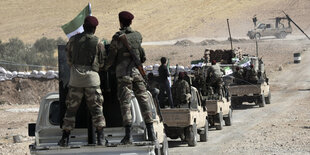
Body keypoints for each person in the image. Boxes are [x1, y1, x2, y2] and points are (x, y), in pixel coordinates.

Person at [103, 11, 155, 144]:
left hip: (124, 75)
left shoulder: (117, 38)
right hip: (137, 73)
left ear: (120, 22)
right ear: (131, 22)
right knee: (144, 101)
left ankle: (128, 135)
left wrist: (104, 67)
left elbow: (111, 58)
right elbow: (141, 56)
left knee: (125, 103)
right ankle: (151, 133)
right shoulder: (138, 36)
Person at [58, 16, 106, 146]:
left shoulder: (73, 40)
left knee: (71, 109)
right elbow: (102, 63)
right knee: (96, 109)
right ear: (94, 29)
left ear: (84, 27)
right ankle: (101, 138)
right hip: (92, 79)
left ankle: (65, 138)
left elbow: (68, 59)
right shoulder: (98, 42)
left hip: (76, 79)